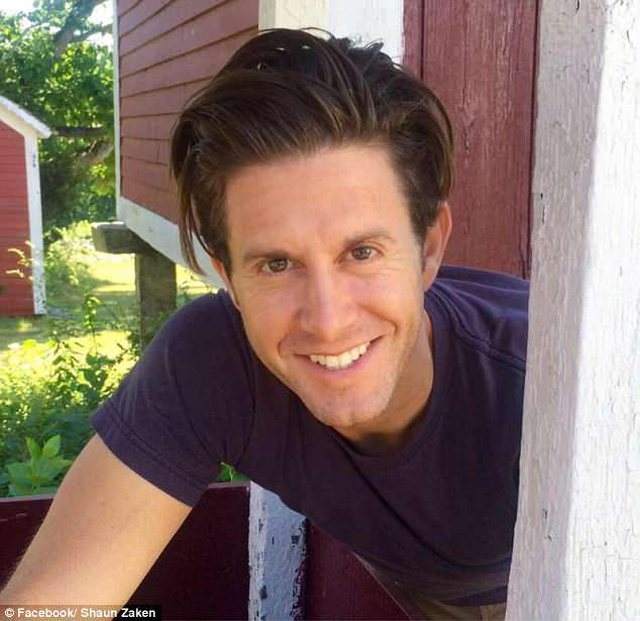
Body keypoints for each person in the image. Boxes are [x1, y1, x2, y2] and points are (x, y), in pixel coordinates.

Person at [0, 29, 528, 620]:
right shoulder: (214, 361)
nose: (327, 321)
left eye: (361, 253)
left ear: (428, 249)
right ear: (228, 277)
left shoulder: (541, 387)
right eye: (277, 265)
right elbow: (48, 609)